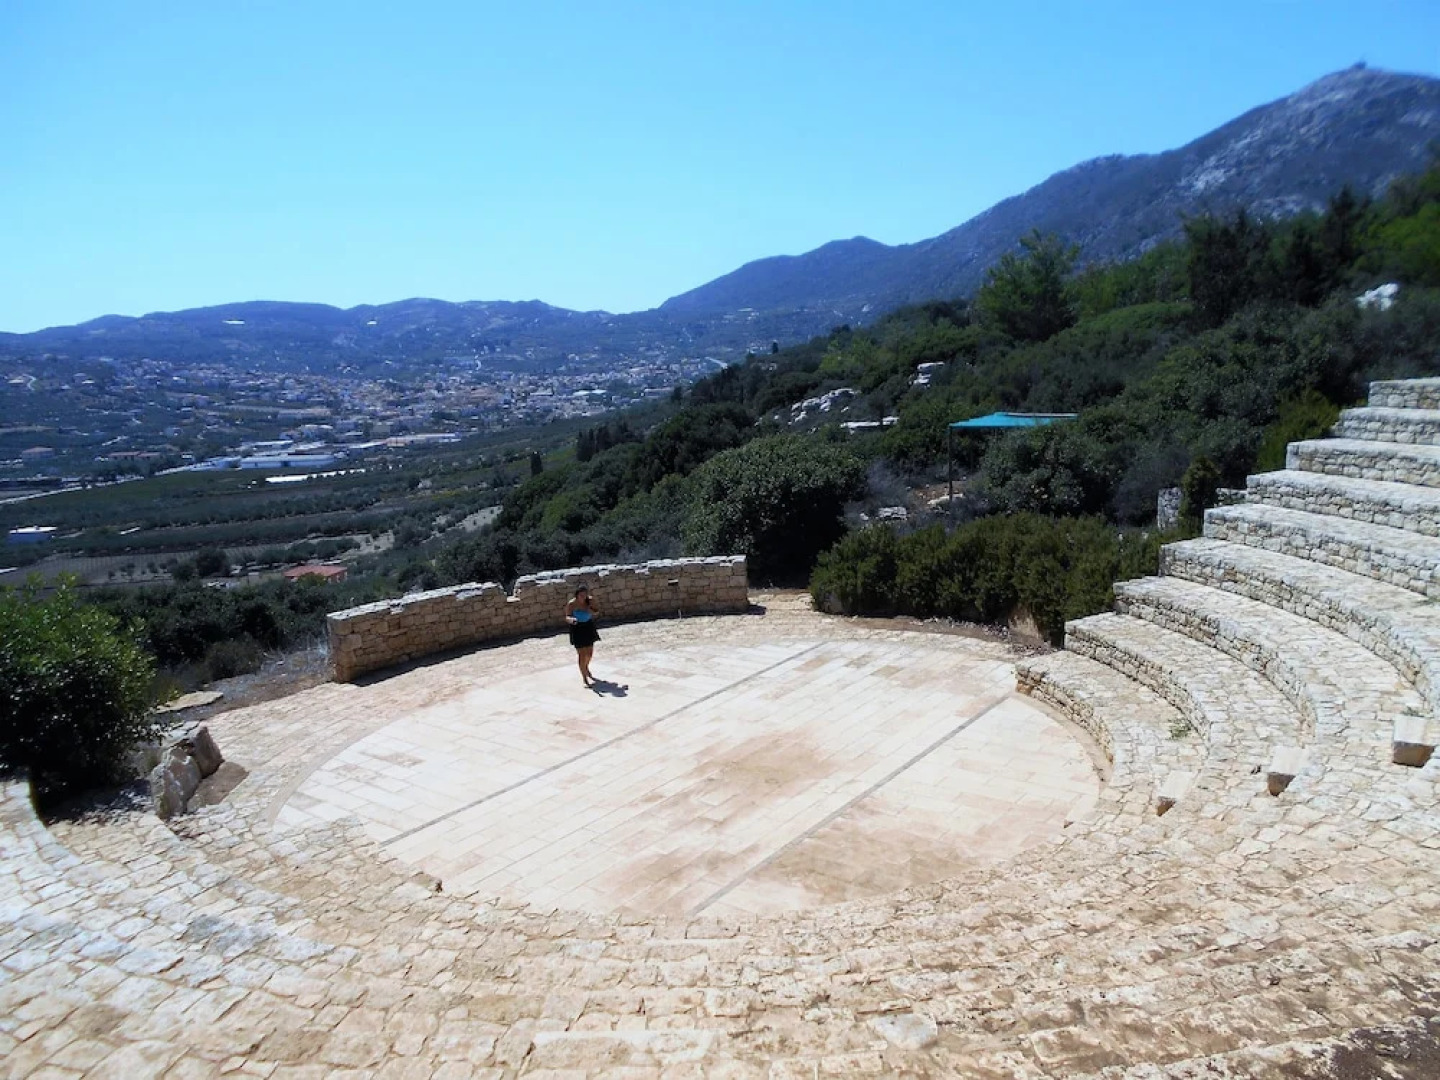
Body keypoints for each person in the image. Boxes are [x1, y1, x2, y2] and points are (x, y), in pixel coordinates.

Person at [565, 585, 600, 686]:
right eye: (581, 595)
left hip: (588, 627)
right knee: (582, 654)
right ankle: (584, 676)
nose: (583, 597)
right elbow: (567, 617)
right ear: (577, 595)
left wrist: (592, 611)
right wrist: (571, 620)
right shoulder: (571, 604)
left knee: (589, 653)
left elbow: (597, 612)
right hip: (577, 628)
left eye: (585, 595)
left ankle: (586, 667)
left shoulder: (590, 601)